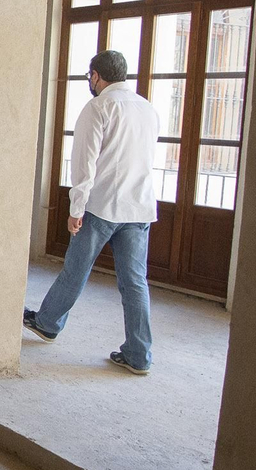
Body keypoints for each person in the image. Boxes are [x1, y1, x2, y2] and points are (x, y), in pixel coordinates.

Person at [24, 49, 160, 374]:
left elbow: (84, 164)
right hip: (139, 207)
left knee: (76, 270)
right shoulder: (148, 109)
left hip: (101, 205)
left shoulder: (98, 107)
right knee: (135, 283)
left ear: (96, 76)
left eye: (90, 76)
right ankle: (139, 356)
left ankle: (48, 323)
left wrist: (76, 208)